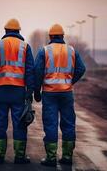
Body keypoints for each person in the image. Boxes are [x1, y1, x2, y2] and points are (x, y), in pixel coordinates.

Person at [34, 24, 86, 167]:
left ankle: (51, 158)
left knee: (51, 124)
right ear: (63, 36)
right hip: (66, 93)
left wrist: (36, 91)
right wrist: (70, 81)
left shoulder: (44, 51)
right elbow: (82, 68)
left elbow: (38, 72)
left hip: (49, 93)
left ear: (50, 36)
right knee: (68, 123)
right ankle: (67, 156)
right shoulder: (71, 50)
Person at [0, 18, 34, 164]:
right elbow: (30, 71)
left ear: (5, 31)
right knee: (19, 123)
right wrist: (30, 91)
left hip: (1, 91)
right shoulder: (25, 46)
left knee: (0, 122)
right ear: (19, 31)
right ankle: (19, 156)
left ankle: (0, 155)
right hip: (18, 91)